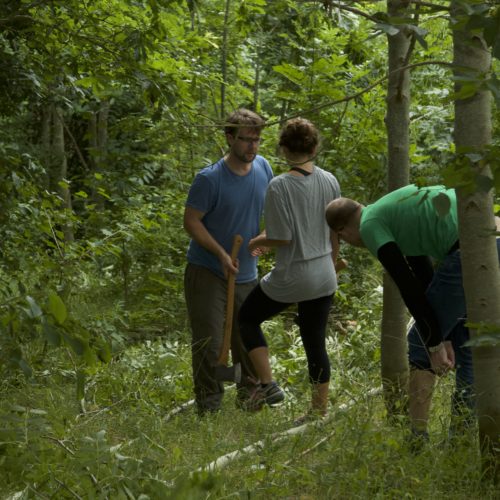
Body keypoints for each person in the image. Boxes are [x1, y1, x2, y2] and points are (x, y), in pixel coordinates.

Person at [325, 184, 500, 441]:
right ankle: (459, 439)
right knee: (466, 343)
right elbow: (424, 276)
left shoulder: (370, 226)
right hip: (494, 238)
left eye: (343, 240)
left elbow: (408, 286)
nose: (351, 244)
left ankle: (417, 438)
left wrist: (433, 343)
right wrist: (443, 333)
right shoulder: (391, 213)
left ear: (342, 232)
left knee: (419, 343)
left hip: (471, 247)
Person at [238, 117, 341, 419]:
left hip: (295, 274)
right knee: (314, 340)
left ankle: (269, 384)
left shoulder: (280, 186)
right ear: (314, 147)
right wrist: (332, 265)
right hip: (324, 273)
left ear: (283, 148)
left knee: (247, 319)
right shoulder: (330, 180)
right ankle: (318, 411)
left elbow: (282, 237)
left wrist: (255, 241)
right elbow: (335, 230)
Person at [183, 108, 273, 415]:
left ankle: (250, 401)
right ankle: (208, 407)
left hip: (246, 272)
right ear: (229, 137)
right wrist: (220, 254)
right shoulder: (210, 179)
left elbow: (272, 213)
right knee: (210, 343)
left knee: (247, 339)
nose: (253, 147)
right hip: (208, 271)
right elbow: (191, 221)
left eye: (257, 140)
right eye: (246, 140)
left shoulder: (264, 168)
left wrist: (263, 239)